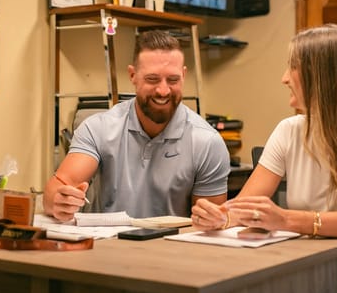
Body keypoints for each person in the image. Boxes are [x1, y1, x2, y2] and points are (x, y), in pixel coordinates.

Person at [191, 24, 337, 293]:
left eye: (293, 67)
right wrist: (220, 218)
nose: (284, 78)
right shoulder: (289, 130)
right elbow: (244, 208)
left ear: (321, 76)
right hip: (301, 269)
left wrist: (285, 219)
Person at [44, 30, 230, 222]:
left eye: (173, 80)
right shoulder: (97, 128)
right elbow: (55, 191)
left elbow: (209, 230)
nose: (163, 90)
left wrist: (214, 220)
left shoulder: (208, 142)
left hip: (171, 249)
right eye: (152, 79)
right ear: (133, 75)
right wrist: (59, 201)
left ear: (183, 76)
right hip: (106, 247)